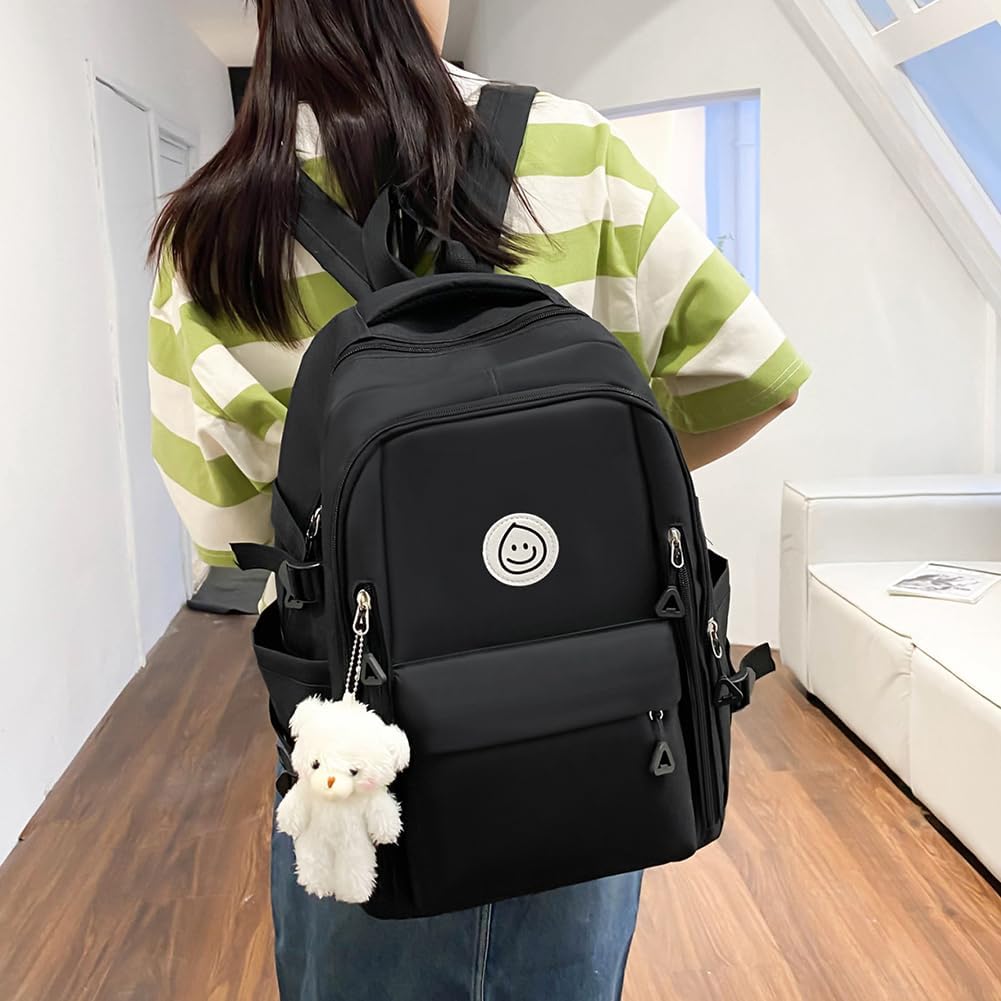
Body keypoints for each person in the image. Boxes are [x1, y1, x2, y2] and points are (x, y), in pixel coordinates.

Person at [148, 1, 810, 998]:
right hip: (591, 729)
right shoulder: (573, 147)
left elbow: (227, 535)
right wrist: (574, 498)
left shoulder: (212, 228)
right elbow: (754, 377)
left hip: (361, 764)